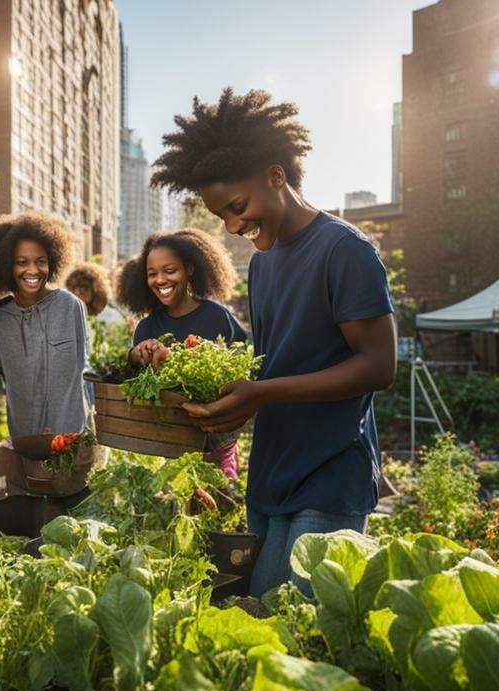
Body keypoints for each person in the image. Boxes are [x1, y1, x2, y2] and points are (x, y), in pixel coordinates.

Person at [150, 89, 396, 597]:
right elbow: (274, 362)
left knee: (300, 638)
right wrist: (229, 399)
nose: (233, 226)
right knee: (258, 618)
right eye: (222, 216)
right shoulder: (262, 265)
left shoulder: (345, 251)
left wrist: (261, 394)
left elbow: (378, 366)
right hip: (270, 473)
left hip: (330, 474)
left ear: (277, 176)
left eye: (237, 207)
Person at [0, 212, 93, 494]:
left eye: (40, 262)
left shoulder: (70, 306)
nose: (32, 271)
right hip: (24, 444)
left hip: (70, 437)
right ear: (5, 266)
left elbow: (84, 368)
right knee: (28, 523)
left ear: (53, 262)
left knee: (73, 517)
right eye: (21, 263)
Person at [117, 228, 247, 477]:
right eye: (152, 273)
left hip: (215, 446)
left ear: (190, 268)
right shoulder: (147, 327)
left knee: (215, 507)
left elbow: (243, 368)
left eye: (169, 270)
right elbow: (134, 389)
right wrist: (135, 357)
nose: (160, 280)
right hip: (163, 450)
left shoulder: (216, 316)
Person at [65, 262, 124, 327]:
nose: (77, 292)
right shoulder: (67, 317)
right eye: (73, 288)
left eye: (84, 288)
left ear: (96, 289)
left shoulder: (111, 317)